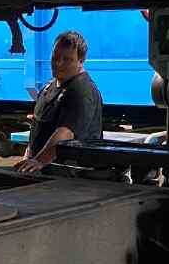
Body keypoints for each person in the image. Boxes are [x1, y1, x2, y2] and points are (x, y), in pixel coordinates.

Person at [14, 30, 103, 173]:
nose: (58, 63)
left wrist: (39, 161)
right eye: (55, 57)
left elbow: (65, 133)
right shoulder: (49, 86)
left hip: (70, 173)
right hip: (45, 169)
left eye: (67, 59)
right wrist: (28, 157)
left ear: (81, 61)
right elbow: (37, 127)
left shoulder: (81, 90)